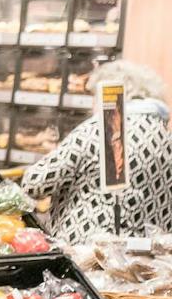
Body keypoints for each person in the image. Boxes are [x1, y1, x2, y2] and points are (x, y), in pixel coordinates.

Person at [20, 60, 172, 241]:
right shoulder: (163, 134)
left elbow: (35, 183)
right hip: (146, 253)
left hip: (93, 251)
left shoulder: (101, 129)